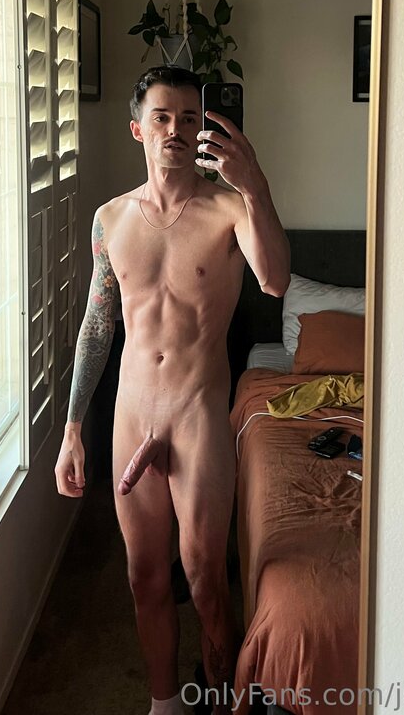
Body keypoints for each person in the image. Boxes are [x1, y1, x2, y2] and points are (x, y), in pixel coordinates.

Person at [54, 65, 290, 715]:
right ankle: (165, 704)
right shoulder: (109, 219)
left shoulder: (229, 209)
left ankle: (223, 699)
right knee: (144, 578)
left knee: (207, 580)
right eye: (162, 117)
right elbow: (97, 324)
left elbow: (275, 281)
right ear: (138, 129)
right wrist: (73, 428)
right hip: (131, 413)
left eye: (190, 118)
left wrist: (255, 183)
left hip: (197, 414)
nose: (176, 130)